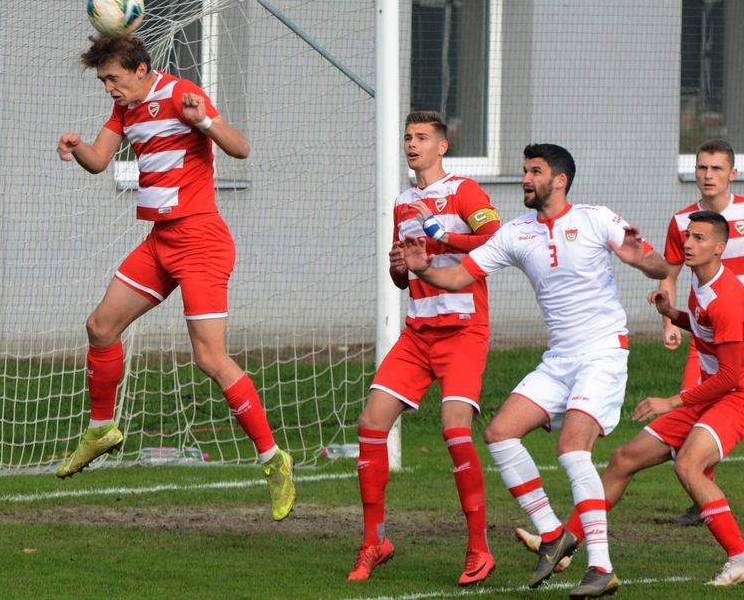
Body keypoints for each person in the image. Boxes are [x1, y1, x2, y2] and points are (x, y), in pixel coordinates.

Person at [402, 143, 669, 598]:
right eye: (525, 171)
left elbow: (660, 265)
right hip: (560, 358)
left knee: (571, 448)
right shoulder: (515, 232)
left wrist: (639, 258)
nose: (525, 179)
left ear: (559, 180)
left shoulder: (594, 218)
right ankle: (552, 534)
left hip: (602, 353)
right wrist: (423, 268)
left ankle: (601, 565)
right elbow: (460, 276)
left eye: (535, 171)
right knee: (500, 432)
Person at [53, 34, 295, 521]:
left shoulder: (183, 92)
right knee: (100, 327)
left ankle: (274, 460)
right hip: (161, 242)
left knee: (210, 357)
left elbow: (240, 148)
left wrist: (202, 120)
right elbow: (100, 162)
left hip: (201, 240)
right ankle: (102, 429)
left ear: (141, 69)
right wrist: (78, 147)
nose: (109, 89)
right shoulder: (126, 110)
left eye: (113, 79)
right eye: (103, 81)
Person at [519, 211, 744, 589]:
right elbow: (705, 325)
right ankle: (565, 543)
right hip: (712, 395)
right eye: (687, 236)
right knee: (623, 458)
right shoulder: (702, 283)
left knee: (688, 466)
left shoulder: (727, 296)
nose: (687, 243)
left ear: (720, 248)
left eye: (699, 238)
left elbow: (732, 376)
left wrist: (672, 401)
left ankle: (741, 558)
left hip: (739, 398)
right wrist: (673, 315)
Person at [346, 111, 502, 585]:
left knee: (454, 430)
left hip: (463, 331)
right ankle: (375, 541)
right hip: (418, 333)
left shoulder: (465, 191)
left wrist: (440, 236)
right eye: (407, 137)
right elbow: (403, 276)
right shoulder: (403, 202)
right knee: (371, 424)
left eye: (421, 138)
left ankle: (479, 549)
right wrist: (400, 265)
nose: (412, 144)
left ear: (442, 146)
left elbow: (494, 240)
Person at [660, 139, 744, 529]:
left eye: (717, 169)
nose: (708, 175)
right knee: (692, 410)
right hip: (704, 336)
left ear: (732, 174)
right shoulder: (681, 221)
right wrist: (669, 322)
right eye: (702, 167)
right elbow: (668, 276)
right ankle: (703, 498)